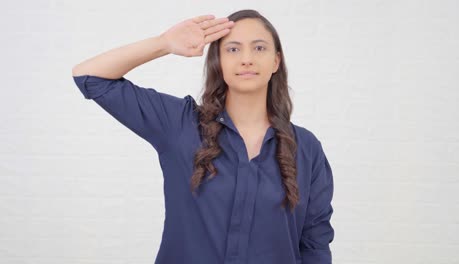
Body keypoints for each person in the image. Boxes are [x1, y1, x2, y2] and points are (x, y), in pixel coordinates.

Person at [72, 9, 335, 264]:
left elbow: (315, 243)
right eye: (233, 49)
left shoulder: (306, 148)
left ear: (276, 61)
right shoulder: (179, 125)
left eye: (259, 48)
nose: (246, 59)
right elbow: (90, 77)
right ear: (218, 61)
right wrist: (164, 43)